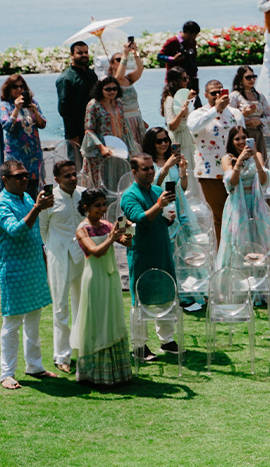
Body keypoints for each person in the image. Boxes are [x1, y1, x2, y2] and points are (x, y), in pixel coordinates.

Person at [0, 160, 56, 389]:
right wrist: (37, 208)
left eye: (26, 175)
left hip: (34, 267)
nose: (24, 179)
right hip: (14, 270)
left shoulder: (26, 198)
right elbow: (16, 230)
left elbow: (35, 233)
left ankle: (34, 366)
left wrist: (43, 259)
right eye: (19, 176)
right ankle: (6, 373)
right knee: (12, 323)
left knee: (34, 321)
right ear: (5, 180)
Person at [68, 189, 134, 385]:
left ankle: (116, 371)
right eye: (97, 205)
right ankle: (93, 372)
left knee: (111, 317)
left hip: (110, 277)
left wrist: (128, 230)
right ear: (86, 207)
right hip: (94, 278)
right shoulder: (82, 229)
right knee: (97, 319)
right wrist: (111, 238)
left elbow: (127, 243)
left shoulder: (106, 225)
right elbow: (94, 252)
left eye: (104, 204)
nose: (102, 209)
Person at [119, 155, 180, 360]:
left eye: (151, 168)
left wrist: (169, 218)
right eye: (145, 169)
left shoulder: (156, 190)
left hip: (162, 251)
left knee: (167, 295)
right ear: (134, 172)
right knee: (141, 300)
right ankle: (140, 346)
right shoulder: (129, 195)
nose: (150, 172)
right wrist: (160, 205)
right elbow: (139, 219)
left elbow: (161, 219)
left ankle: (167, 340)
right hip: (142, 254)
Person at [141, 126, 209, 284]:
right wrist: (166, 167)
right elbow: (153, 186)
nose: (164, 144)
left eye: (166, 140)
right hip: (161, 207)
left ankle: (188, 283)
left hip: (178, 206)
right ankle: (168, 281)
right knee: (167, 245)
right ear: (151, 143)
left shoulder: (172, 160)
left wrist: (183, 171)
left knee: (184, 246)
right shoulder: (149, 163)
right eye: (159, 141)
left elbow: (182, 188)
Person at [37, 160, 84, 373]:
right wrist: (51, 251)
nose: (72, 178)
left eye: (74, 174)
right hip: (58, 257)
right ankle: (62, 356)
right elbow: (42, 230)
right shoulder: (49, 200)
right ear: (56, 179)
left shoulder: (84, 194)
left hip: (82, 255)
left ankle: (83, 350)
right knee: (60, 307)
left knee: (83, 305)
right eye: (67, 176)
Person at [216, 126, 270, 272]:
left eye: (244, 137)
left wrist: (254, 157)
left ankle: (260, 276)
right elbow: (231, 183)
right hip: (237, 206)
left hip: (256, 204)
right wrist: (239, 161)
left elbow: (264, 181)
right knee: (236, 241)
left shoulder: (257, 155)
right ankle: (236, 276)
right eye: (237, 139)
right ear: (231, 141)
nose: (241, 141)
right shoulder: (227, 158)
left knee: (260, 240)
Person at [189, 80, 243, 241]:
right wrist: (215, 110)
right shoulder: (199, 113)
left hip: (235, 170)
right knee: (219, 216)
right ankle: (221, 252)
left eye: (221, 91)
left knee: (238, 214)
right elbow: (193, 127)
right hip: (210, 172)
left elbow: (243, 138)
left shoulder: (235, 113)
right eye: (213, 93)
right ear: (206, 95)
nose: (218, 95)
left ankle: (238, 248)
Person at [0, 75, 47, 195]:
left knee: (35, 189)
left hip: (34, 155)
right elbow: (7, 126)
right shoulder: (4, 106)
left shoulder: (33, 103)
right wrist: (16, 109)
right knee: (17, 187)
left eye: (21, 86)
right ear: (8, 89)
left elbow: (42, 124)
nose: (19, 89)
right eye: (15, 87)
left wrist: (35, 111)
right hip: (16, 155)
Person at [80, 76, 129, 189]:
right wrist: (102, 148)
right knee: (100, 182)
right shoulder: (93, 105)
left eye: (114, 88)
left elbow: (123, 126)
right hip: (99, 151)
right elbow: (89, 130)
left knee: (117, 180)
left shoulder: (118, 103)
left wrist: (129, 146)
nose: (112, 92)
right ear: (100, 89)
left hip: (117, 149)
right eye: (108, 89)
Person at [56, 41, 97, 147]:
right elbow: (64, 109)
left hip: (94, 126)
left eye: (86, 52)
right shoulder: (66, 79)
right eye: (80, 53)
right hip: (77, 130)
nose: (84, 55)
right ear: (72, 55)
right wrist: (72, 135)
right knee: (77, 157)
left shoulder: (91, 74)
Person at [110, 40, 147, 150]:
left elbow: (140, 69)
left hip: (136, 118)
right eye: (118, 59)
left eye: (122, 59)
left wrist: (135, 54)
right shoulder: (112, 82)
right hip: (124, 120)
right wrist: (125, 55)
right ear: (112, 64)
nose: (122, 61)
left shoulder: (129, 79)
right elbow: (119, 77)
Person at [229, 65, 270, 156]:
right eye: (248, 77)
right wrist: (243, 115)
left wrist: (259, 121)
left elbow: (269, 114)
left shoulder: (259, 96)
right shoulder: (235, 96)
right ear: (240, 79)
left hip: (257, 133)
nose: (252, 80)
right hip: (242, 136)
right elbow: (229, 117)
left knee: (260, 159)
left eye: (254, 77)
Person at [161, 67, 197, 173]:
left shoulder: (183, 97)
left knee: (192, 171)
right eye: (184, 79)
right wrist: (182, 112)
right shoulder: (170, 100)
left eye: (187, 78)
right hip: (178, 140)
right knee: (183, 171)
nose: (187, 81)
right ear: (175, 81)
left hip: (188, 139)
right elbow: (171, 126)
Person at [158, 21, 201, 99]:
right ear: (188, 32)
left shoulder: (192, 42)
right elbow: (160, 56)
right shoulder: (172, 41)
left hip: (189, 78)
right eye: (194, 35)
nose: (195, 37)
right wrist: (173, 59)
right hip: (175, 80)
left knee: (194, 101)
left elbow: (193, 58)